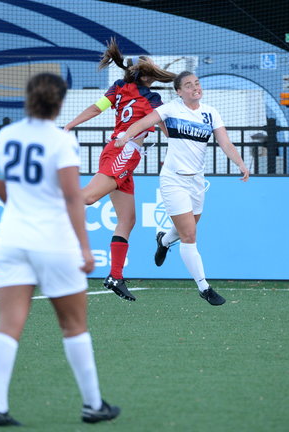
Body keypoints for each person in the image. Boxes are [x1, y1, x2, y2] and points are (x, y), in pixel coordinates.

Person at [0, 73, 120, 426]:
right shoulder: (61, 140)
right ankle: (93, 405)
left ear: (28, 98)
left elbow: (2, 191)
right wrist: (85, 249)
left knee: (8, 325)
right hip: (54, 243)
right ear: (59, 103)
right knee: (73, 325)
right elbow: (73, 197)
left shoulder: (6, 136)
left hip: (11, 240)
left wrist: (23, 212)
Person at [116, 71, 250, 305]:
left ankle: (164, 241)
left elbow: (225, 142)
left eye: (196, 83)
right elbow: (143, 122)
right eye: (188, 85)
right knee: (189, 234)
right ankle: (204, 287)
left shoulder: (211, 113)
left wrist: (240, 163)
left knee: (186, 229)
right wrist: (126, 136)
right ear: (179, 92)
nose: (195, 88)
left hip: (197, 181)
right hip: (173, 180)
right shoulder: (171, 109)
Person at [64, 37, 176, 301]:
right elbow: (166, 128)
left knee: (127, 220)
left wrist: (70, 125)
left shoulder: (119, 87)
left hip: (123, 155)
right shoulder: (152, 98)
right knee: (88, 198)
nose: (155, 70)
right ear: (146, 76)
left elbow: (97, 108)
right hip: (123, 153)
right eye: (152, 68)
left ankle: (116, 276)